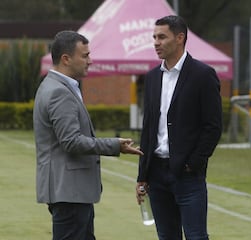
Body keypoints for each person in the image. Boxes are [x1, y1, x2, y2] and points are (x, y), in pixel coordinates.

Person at [33, 30, 143, 240]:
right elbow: (71, 141)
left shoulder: (54, 86)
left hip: (70, 191)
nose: (90, 61)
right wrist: (114, 145)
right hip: (69, 192)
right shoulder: (59, 92)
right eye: (84, 56)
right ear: (66, 59)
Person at [135, 15, 222, 240]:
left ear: (180, 37)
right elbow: (148, 128)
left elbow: (212, 126)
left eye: (162, 37)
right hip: (156, 174)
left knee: (196, 236)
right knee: (166, 236)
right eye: (154, 37)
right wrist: (142, 175)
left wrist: (193, 163)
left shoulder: (203, 75)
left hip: (187, 175)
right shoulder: (152, 77)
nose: (156, 42)